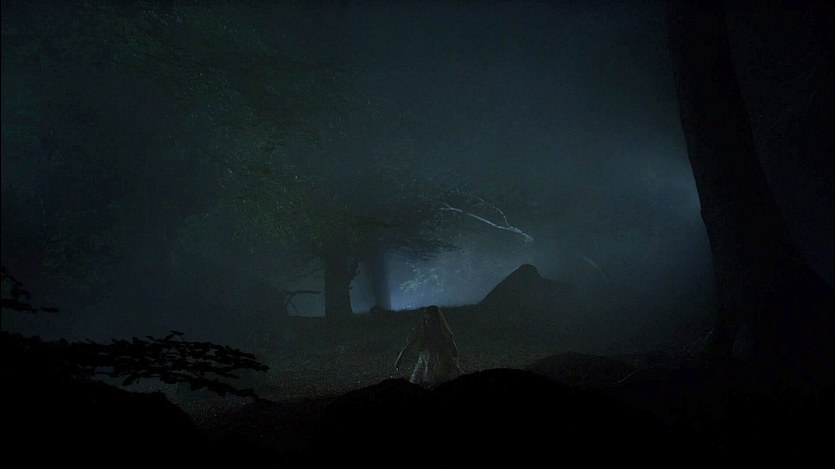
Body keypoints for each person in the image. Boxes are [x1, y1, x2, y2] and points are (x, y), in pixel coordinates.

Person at [394, 305, 463, 387]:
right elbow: (409, 346)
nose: (429, 323)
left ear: (437, 321)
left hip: (441, 362)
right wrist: (399, 360)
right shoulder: (422, 330)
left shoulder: (444, 332)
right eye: (427, 320)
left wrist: (447, 356)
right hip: (424, 362)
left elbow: (455, 352)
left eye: (432, 321)